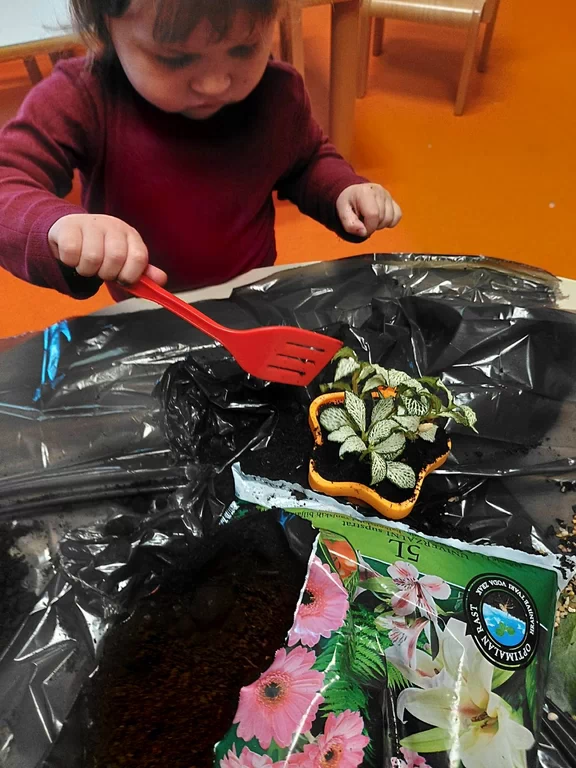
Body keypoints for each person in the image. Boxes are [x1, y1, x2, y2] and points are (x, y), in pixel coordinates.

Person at [0, 0, 402, 301]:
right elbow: (7, 181)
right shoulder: (83, 98)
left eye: (243, 49)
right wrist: (57, 228)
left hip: (250, 295)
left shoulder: (278, 95)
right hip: (149, 309)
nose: (214, 84)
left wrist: (342, 190)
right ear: (107, 27)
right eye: (176, 59)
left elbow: (307, 161)